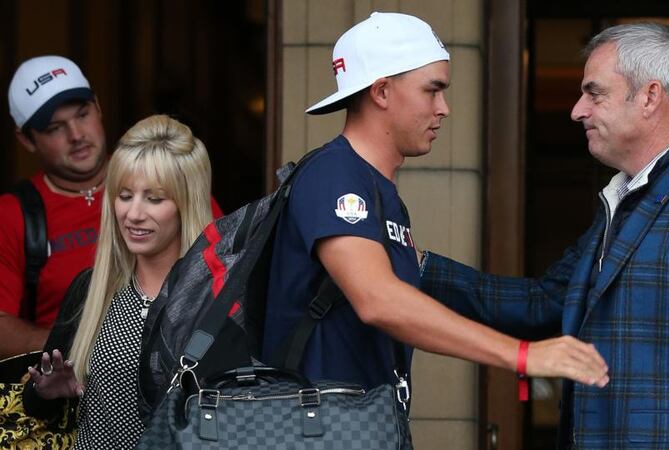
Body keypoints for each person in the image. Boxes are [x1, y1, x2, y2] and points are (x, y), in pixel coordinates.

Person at [420, 23, 669, 448]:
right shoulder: (626, 195)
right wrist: (418, 265)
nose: (577, 110)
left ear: (649, 96)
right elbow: (542, 303)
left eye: (595, 93)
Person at [260, 11, 609, 400]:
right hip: (316, 431)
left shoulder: (376, 189)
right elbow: (378, 299)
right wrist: (523, 355)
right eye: (432, 90)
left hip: (360, 425)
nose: (444, 108)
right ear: (382, 91)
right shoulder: (335, 174)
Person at [21, 115, 217, 449]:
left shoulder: (218, 296)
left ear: (187, 204)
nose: (134, 214)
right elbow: (36, 404)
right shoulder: (92, 290)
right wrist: (46, 390)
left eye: (154, 199)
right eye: (125, 196)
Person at [0, 55, 108, 359]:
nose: (77, 135)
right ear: (27, 140)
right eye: (54, 128)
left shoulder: (160, 178)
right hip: (68, 394)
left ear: (98, 107)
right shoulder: (12, 215)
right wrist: (84, 344)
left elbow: (227, 277)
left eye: (83, 114)